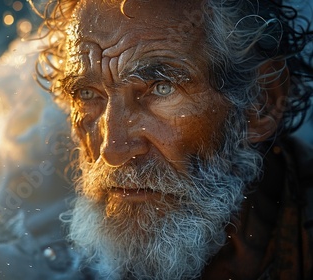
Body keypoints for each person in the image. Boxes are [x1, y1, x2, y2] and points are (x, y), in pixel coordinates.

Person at [34, 0, 313, 279]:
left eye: (162, 88)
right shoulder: (28, 246)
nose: (113, 151)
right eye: (86, 94)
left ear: (261, 102)